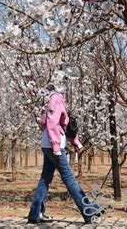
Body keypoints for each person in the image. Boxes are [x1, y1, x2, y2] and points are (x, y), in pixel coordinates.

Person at [27, 84, 103, 225]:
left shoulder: (50, 99)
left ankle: (35, 213)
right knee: (70, 179)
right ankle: (89, 212)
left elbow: (59, 125)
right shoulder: (56, 99)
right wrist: (56, 147)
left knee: (45, 179)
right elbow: (51, 124)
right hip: (54, 146)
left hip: (47, 144)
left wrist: (77, 143)